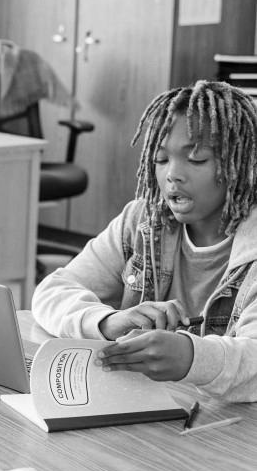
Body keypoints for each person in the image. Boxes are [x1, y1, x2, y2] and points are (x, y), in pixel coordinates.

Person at [32, 80, 257, 402]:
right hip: (142, 410)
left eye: (196, 160)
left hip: (229, 432)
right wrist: (108, 322)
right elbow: (52, 291)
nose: (172, 175)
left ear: (243, 164)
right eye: (161, 159)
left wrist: (191, 357)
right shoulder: (143, 219)